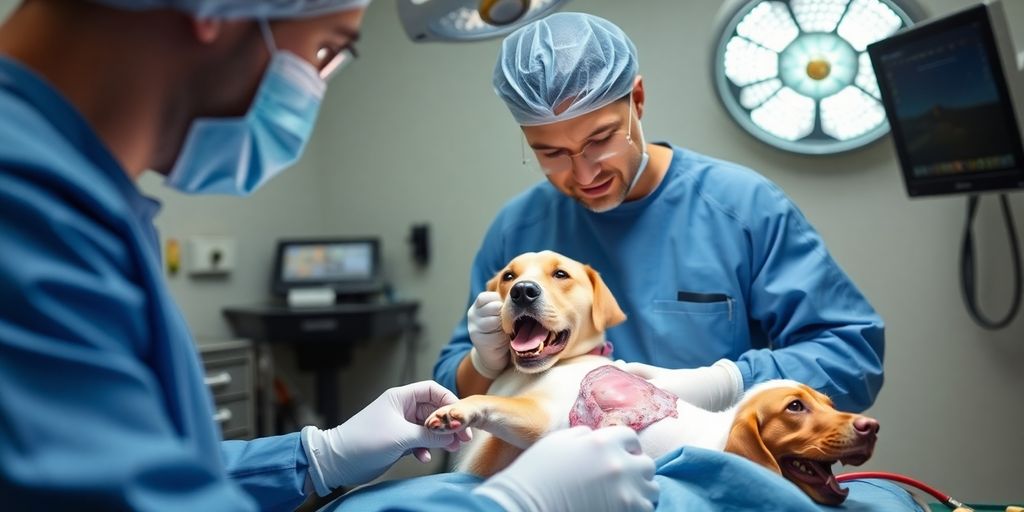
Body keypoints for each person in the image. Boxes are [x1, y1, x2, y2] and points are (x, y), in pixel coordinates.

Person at [0, 1, 657, 511]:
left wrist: (313, 456)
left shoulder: (73, 202)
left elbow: (137, 471)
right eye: (324, 50)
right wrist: (514, 501)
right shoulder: (26, 212)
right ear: (211, 11)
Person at [435, 12, 885, 416]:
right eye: (551, 153)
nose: (583, 172)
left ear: (638, 99)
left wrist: (726, 384)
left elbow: (851, 357)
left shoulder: (741, 207)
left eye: (600, 140)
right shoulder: (519, 229)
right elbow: (447, 392)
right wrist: (483, 361)